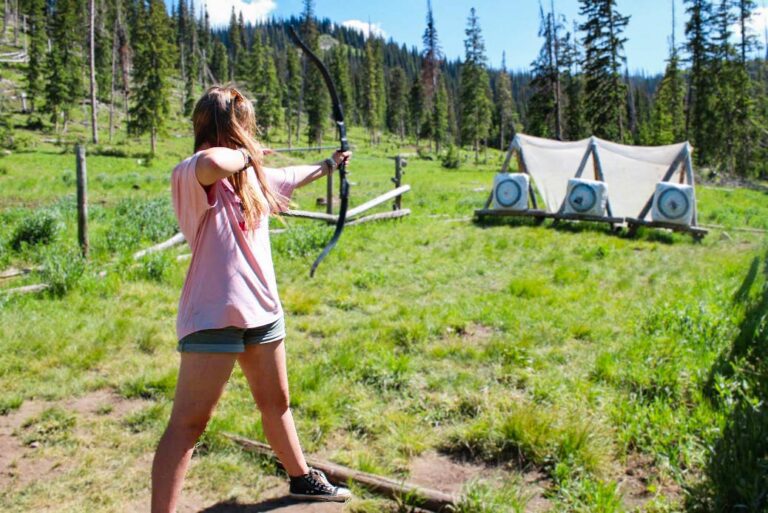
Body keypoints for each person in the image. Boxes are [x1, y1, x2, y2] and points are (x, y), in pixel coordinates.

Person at [151, 86, 352, 512]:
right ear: (230, 127)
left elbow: (295, 175)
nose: (251, 130)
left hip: (262, 313)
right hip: (213, 317)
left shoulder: (253, 180)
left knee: (277, 404)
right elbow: (211, 162)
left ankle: (301, 479)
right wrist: (249, 153)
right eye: (244, 122)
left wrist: (330, 165)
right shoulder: (192, 173)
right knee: (188, 425)